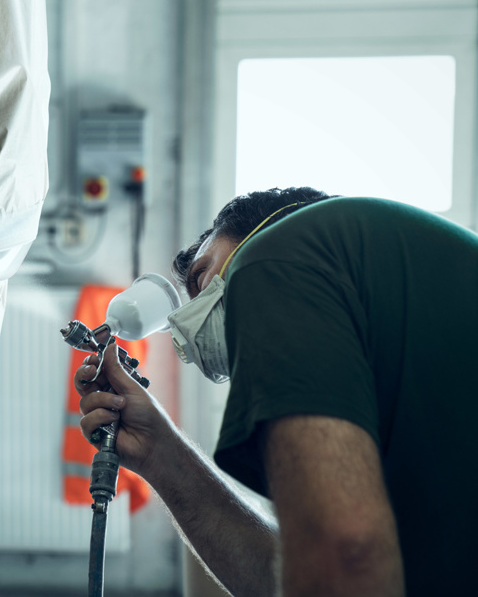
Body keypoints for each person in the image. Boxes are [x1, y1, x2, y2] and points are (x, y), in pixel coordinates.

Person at [75, 187, 478, 596]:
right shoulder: (391, 358)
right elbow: (292, 576)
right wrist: (159, 452)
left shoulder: (275, 255)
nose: (188, 324)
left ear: (267, 227)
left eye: (201, 279)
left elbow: (342, 561)